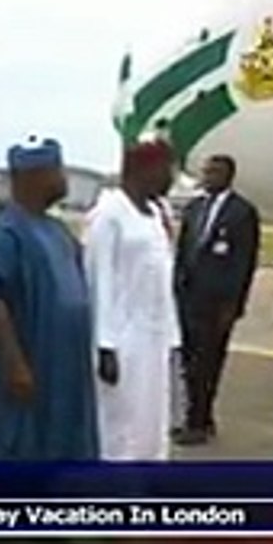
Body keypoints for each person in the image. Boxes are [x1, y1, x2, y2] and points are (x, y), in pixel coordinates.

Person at [0, 136, 98, 461]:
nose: (63, 179)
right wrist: (15, 363)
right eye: (57, 170)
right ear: (33, 177)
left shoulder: (58, 231)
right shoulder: (4, 235)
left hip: (65, 366)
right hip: (32, 366)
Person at [85, 140, 180, 460]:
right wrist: (105, 345)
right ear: (142, 170)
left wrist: (171, 335)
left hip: (153, 338)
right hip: (122, 341)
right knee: (121, 425)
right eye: (167, 170)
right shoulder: (109, 214)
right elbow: (101, 281)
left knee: (152, 421)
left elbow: (162, 278)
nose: (171, 179)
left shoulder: (154, 213)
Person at [173, 154, 260, 446]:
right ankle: (199, 416)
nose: (208, 176)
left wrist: (234, 305)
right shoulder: (194, 208)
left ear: (229, 176)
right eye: (207, 171)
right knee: (188, 360)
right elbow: (183, 251)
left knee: (208, 362)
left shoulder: (242, 212)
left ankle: (197, 422)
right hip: (189, 298)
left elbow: (245, 262)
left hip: (218, 303)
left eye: (215, 172)